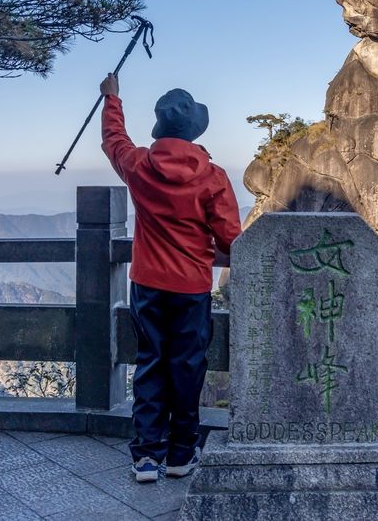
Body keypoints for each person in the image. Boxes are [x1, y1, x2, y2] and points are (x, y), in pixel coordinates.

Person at [100, 73, 241, 483]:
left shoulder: (140, 165)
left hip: (146, 284)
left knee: (150, 365)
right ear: (193, 129)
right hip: (192, 287)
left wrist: (113, 99)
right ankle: (181, 454)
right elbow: (231, 240)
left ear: (161, 127)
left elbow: (114, 140)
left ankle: (145, 456)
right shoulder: (212, 177)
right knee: (187, 367)